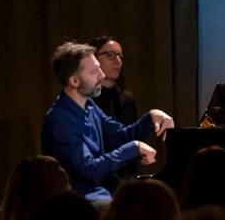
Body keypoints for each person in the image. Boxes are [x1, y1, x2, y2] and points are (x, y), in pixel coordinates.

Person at [41, 41, 174, 204]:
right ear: (74, 81)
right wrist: (133, 148)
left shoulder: (89, 105)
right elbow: (89, 170)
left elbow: (119, 136)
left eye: (99, 68)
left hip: (99, 195)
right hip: (77, 202)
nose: (102, 76)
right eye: (94, 72)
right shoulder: (59, 120)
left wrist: (151, 118)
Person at [88, 36, 138, 125]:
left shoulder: (126, 99)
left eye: (120, 56)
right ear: (94, 58)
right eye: (110, 55)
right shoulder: (84, 96)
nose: (118, 61)